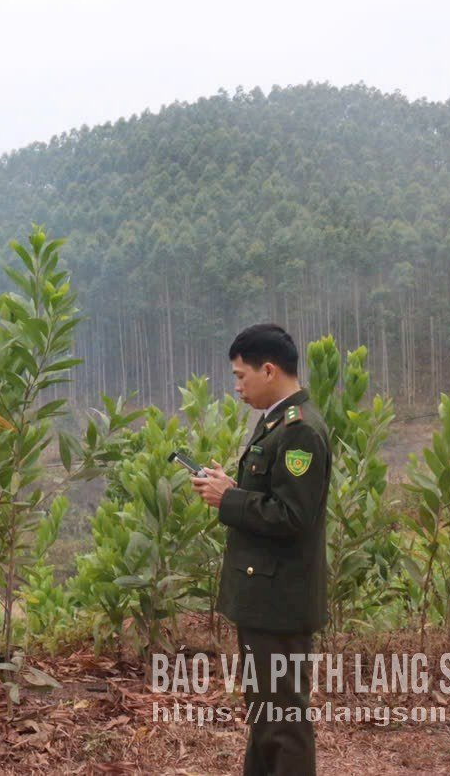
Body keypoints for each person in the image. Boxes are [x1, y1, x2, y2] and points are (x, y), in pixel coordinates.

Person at [191, 323, 331, 776]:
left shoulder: (300, 431)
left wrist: (229, 500)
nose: (237, 387)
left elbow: (293, 516)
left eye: (240, 376)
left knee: (283, 721)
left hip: (280, 601)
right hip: (266, 599)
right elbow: (273, 496)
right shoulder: (278, 422)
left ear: (268, 370)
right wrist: (233, 489)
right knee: (266, 715)